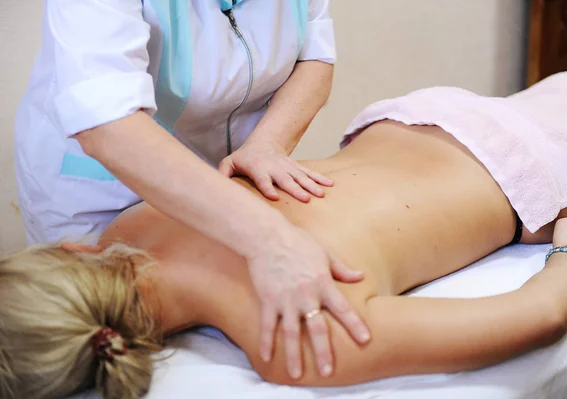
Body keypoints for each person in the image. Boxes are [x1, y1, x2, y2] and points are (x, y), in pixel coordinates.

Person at [13, 0, 370, 378]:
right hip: (100, 190)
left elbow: (314, 55)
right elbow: (106, 121)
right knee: (94, 347)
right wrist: (272, 238)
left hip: (221, 187)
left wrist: (268, 144)